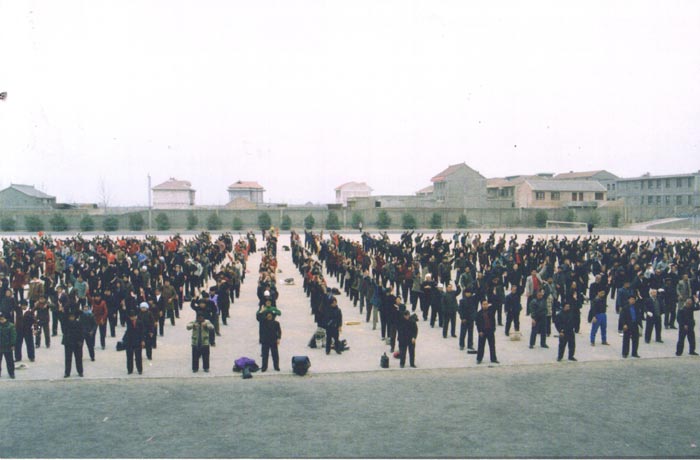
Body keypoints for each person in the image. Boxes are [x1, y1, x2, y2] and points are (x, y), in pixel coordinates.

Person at [257, 305, 282, 372]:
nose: (269, 316)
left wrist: (278, 338)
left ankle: (276, 367)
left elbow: (279, 331)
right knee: (265, 355)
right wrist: (261, 311)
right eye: (268, 315)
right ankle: (264, 367)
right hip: (265, 340)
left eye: (270, 316)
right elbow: (258, 317)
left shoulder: (276, 323)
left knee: (275, 355)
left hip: (273, 340)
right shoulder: (263, 322)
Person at [61, 310, 84, 378]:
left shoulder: (79, 323)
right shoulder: (65, 323)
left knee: (79, 358)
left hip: (77, 343)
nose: (71, 318)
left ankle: (80, 371)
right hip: (68, 343)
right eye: (70, 317)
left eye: (72, 317)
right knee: (68, 359)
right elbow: (64, 331)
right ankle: (67, 372)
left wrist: (81, 341)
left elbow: (81, 333)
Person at [475, 300, 498, 364]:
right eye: (484, 304)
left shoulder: (491, 312)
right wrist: (479, 331)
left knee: (492, 346)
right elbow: (477, 323)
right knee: (481, 346)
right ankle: (479, 359)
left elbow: (493, 321)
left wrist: (493, 329)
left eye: (486, 304)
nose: (485, 305)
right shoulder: (479, 313)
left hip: (490, 331)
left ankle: (493, 359)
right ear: (481, 305)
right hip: (482, 332)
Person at [123, 310, 145, 375]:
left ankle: (140, 370)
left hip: (138, 341)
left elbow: (142, 332)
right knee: (129, 357)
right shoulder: (128, 322)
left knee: (138, 357)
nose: (133, 318)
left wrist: (143, 340)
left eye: (134, 317)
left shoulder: (140, 322)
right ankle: (130, 370)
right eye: (131, 317)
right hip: (129, 341)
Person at [0, 312, 16, 378]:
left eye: (3, 319)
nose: (1, 321)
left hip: (8, 346)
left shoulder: (11, 326)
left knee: (10, 361)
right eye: (0, 319)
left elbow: (13, 336)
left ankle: (11, 373)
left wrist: (13, 344)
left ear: (6, 319)